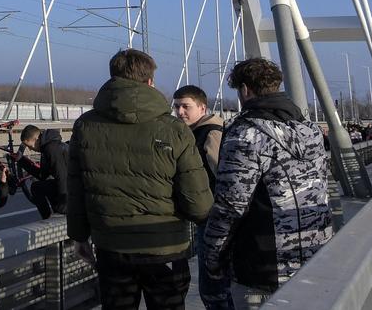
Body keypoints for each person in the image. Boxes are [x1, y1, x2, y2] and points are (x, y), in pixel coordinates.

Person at [68, 49, 212, 309]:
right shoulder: (174, 129)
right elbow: (198, 202)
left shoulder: (85, 126)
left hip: (111, 246)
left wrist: (79, 235)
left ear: (113, 78)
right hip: (164, 246)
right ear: (149, 82)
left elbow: (77, 187)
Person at [201, 58, 334, 308]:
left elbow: (231, 206)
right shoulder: (310, 131)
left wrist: (212, 258)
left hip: (263, 265)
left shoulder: (245, 135)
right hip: (314, 255)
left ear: (244, 90)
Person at [172, 85, 231, 310]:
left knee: (212, 286)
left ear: (202, 107)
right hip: (208, 215)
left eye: (186, 106)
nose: (180, 112)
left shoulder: (211, 132)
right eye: (177, 107)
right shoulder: (197, 131)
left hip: (213, 216)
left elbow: (221, 175)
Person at [15, 124, 68, 219]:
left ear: (36, 139)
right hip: (68, 184)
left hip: (74, 186)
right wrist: (21, 161)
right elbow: (42, 175)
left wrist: (63, 208)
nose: (30, 149)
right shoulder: (46, 148)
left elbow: (63, 178)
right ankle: (47, 218)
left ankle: (58, 212)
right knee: (36, 187)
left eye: (30, 146)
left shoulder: (52, 149)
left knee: (57, 201)